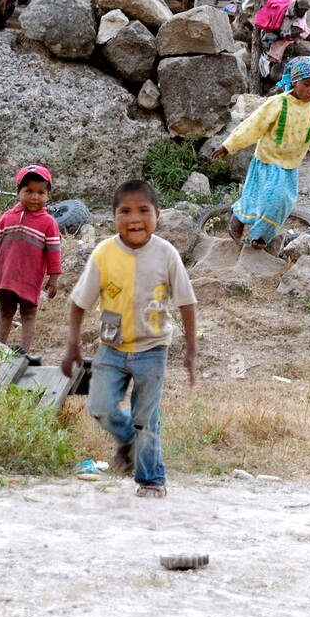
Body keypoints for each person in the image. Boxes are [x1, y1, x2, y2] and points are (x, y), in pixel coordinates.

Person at [62, 180, 197, 498]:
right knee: (100, 407)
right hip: (111, 348)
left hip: (153, 349)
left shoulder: (167, 255)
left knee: (145, 419)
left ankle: (150, 478)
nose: (134, 219)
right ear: (113, 217)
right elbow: (79, 302)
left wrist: (192, 350)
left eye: (143, 211)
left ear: (157, 215)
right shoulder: (104, 253)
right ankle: (130, 440)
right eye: (125, 211)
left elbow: (187, 301)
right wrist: (72, 345)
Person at [210, 56, 310, 248]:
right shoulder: (279, 103)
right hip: (266, 161)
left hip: (290, 167)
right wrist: (229, 145)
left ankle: (260, 237)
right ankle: (238, 219)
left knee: (281, 203)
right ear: (295, 82)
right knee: (260, 198)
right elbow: (253, 124)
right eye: (307, 84)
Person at [0, 164, 62, 354]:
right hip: (6, 276)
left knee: (28, 314)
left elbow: (54, 252)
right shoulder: (7, 218)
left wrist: (53, 278)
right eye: (29, 191)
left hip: (30, 278)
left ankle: (24, 352)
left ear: (48, 195)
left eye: (41, 192)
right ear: (18, 191)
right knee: (5, 313)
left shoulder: (48, 223)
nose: (35, 197)